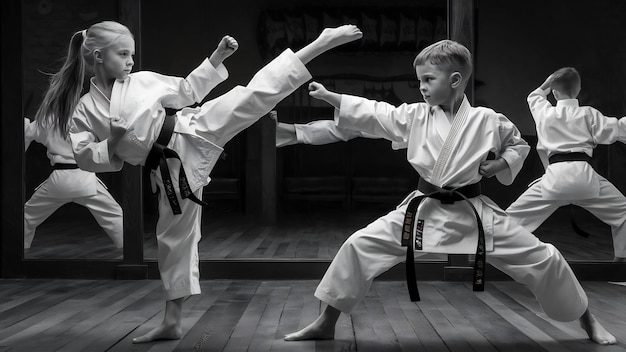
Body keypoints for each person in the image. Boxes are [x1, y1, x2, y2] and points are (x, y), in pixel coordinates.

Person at [283, 40, 617, 345]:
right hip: (423, 211)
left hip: (473, 213)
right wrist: (333, 98)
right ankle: (326, 322)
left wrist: (501, 164)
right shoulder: (414, 115)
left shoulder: (488, 119)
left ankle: (588, 321)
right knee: (358, 246)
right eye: (420, 81)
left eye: (428, 79)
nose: (421, 87)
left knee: (545, 258)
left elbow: (517, 144)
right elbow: (377, 112)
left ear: (455, 80)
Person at [57, 21, 363, 343]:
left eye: (132, 54)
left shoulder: (141, 82)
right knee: (174, 241)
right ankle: (172, 321)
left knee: (252, 97)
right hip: (167, 171)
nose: (131, 61)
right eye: (123, 54)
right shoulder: (84, 109)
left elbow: (186, 92)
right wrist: (113, 140)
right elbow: (84, 157)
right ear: (98, 56)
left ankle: (319, 44)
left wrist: (216, 58)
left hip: (193, 128)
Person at [506, 68, 626, 262]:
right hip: (585, 178)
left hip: (554, 179)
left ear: (554, 93)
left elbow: (533, 96)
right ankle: (621, 264)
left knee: (510, 219)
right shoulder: (589, 114)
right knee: (624, 213)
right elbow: (617, 129)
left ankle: (494, 258)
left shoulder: (544, 112)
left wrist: (547, 83)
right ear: (578, 91)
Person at [23, 116, 123, 250]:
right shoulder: (88, 116)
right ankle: (131, 250)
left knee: (27, 216)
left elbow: (26, 131)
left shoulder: (48, 120)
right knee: (114, 215)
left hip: (59, 180)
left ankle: (19, 248)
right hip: (85, 179)